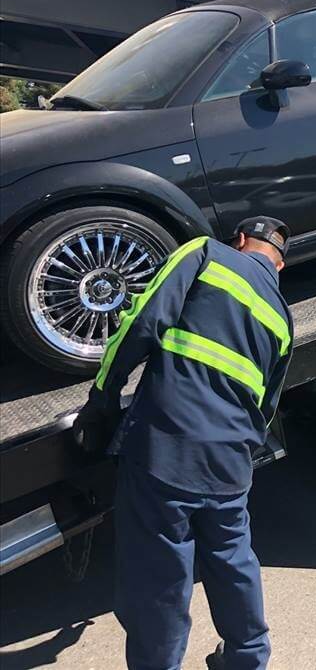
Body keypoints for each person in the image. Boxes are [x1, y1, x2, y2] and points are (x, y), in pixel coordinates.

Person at [74, 217, 294, 670]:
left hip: (167, 450)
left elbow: (143, 320)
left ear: (239, 240)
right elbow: (267, 406)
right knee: (233, 560)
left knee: (161, 576)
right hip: (230, 462)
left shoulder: (207, 254)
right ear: (280, 266)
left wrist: (103, 396)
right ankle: (247, 657)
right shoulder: (282, 317)